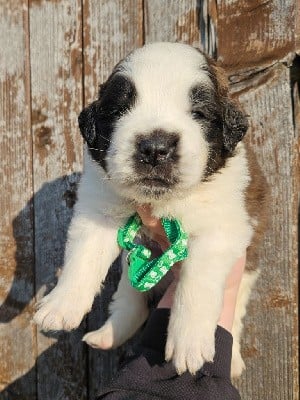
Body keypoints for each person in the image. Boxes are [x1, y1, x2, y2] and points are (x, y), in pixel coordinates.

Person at [96, 205, 244, 399]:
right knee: (227, 273)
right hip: (188, 384)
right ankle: (130, 307)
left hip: (137, 382)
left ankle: (129, 309)